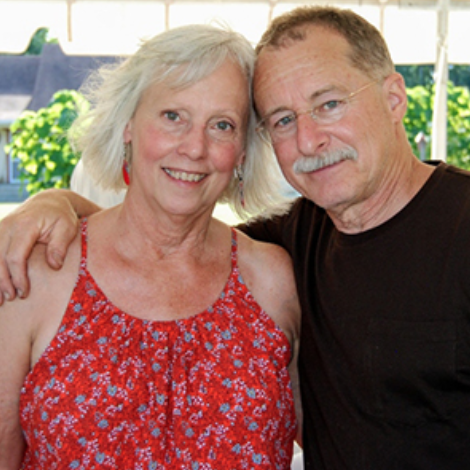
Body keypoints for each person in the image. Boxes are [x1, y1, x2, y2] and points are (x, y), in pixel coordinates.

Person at [1, 5, 469, 469]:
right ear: (128, 125)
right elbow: (159, 240)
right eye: (283, 120)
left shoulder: (276, 276)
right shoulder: (290, 247)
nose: (308, 140)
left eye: (329, 104)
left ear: (394, 98)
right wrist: (56, 203)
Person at [0, 23, 302, 470]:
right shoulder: (38, 274)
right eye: (173, 116)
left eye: (222, 125)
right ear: (128, 126)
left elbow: (340, 439)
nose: (195, 147)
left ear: (242, 152)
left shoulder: (273, 282)